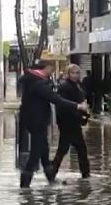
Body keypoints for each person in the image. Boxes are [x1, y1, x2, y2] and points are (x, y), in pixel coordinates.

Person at [19, 60, 88, 188]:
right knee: (35, 154)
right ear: (47, 68)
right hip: (37, 122)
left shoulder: (34, 81)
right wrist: (77, 106)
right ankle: (24, 186)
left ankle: (51, 179)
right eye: (52, 69)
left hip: (36, 122)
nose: (52, 72)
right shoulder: (38, 84)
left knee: (45, 153)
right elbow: (56, 99)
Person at [52, 64, 91, 179]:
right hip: (67, 123)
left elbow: (82, 102)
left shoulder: (77, 86)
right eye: (73, 73)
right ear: (68, 74)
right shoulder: (64, 87)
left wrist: (84, 115)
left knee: (77, 149)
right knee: (66, 149)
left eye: (77, 73)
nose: (75, 75)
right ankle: (52, 173)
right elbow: (63, 105)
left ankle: (85, 174)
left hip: (74, 123)